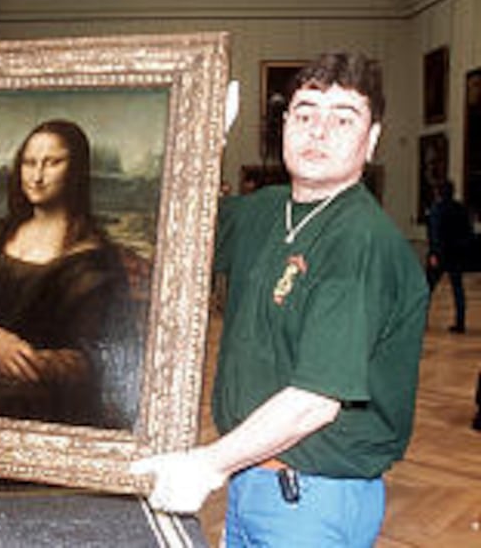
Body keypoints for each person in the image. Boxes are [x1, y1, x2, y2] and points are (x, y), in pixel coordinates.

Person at [133, 53, 429, 547]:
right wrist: (202, 136)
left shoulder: (360, 241)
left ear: (372, 138)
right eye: (306, 113)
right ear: (284, 124)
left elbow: (313, 403)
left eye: (343, 118)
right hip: (256, 477)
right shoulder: (269, 210)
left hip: (313, 500)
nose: (319, 131)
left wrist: (207, 465)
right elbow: (172, 229)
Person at [0, 119, 140, 430]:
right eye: (29, 163)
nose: (36, 176)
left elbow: (97, 359)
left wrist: (9, 362)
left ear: (75, 171)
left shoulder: (95, 260)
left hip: (49, 409)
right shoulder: (2, 242)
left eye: (53, 163)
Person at [426, 180, 472, 333]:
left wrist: (434, 253)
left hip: (441, 253)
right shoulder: (461, 209)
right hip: (457, 254)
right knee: (458, 289)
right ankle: (460, 322)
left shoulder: (436, 210)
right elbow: (468, 232)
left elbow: (435, 233)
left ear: (438, 192)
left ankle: (421, 320)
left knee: (427, 288)